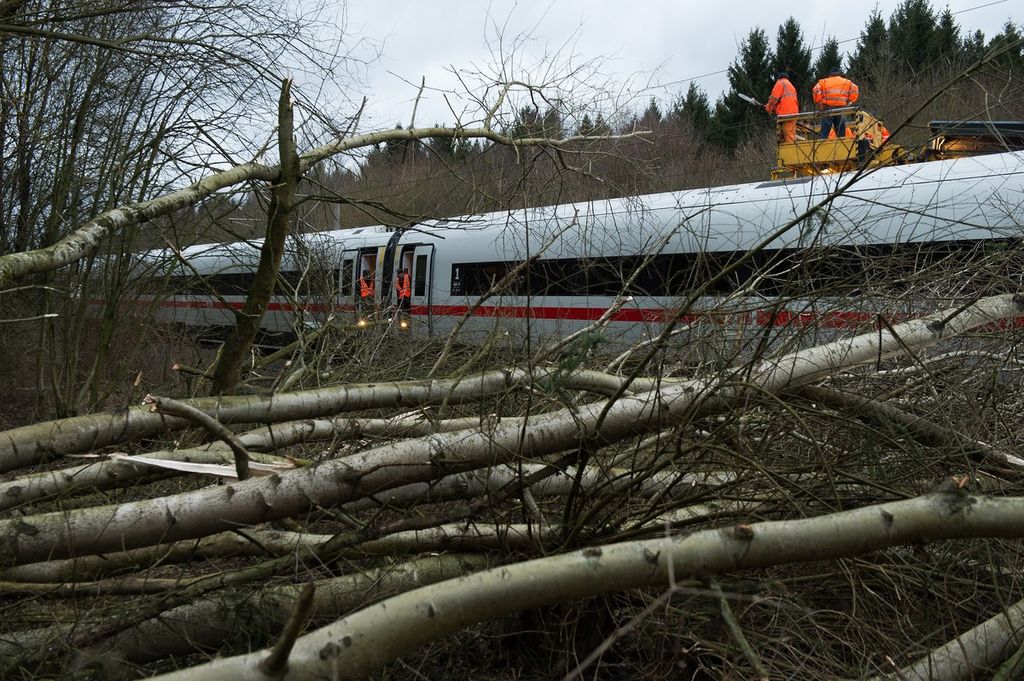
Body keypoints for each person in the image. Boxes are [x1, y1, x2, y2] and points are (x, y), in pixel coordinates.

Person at [812, 69, 859, 139]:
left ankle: (822, 143)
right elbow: (855, 89)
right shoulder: (846, 82)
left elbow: (815, 89)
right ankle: (841, 144)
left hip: (827, 108)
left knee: (825, 132)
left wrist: (819, 101)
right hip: (840, 109)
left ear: (830, 75)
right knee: (841, 132)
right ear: (839, 74)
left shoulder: (823, 81)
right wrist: (849, 101)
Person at [765, 71, 799, 143]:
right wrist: (773, 109)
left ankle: (791, 149)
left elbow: (774, 99)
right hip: (794, 112)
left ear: (778, 79)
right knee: (790, 133)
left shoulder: (780, 83)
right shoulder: (791, 86)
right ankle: (793, 147)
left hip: (785, 113)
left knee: (787, 134)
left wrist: (769, 108)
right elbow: (784, 101)